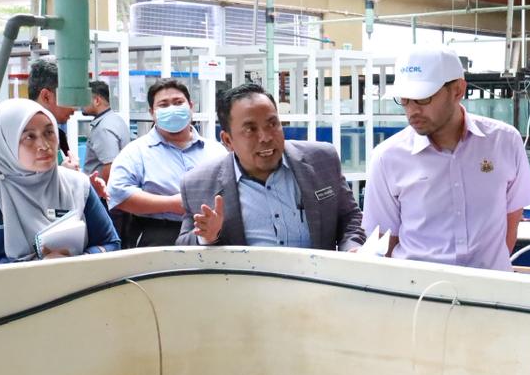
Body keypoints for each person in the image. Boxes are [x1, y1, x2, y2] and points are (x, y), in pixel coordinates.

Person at [363, 46, 530, 271]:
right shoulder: (387, 158)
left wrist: (490, 276)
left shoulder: (504, 142)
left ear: (457, 90)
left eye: (423, 98)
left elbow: (512, 219)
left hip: (490, 286)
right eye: (404, 99)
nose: (412, 110)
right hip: (417, 287)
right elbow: (384, 241)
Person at [177, 83, 365, 250]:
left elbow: (350, 218)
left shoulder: (321, 160)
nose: (266, 137)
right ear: (227, 140)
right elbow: (182, 247)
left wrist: (352, 249)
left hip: (317, 277)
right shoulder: (199, 184)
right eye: (250, 129)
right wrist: (206, 237)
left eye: (272, 124)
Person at [0, 99, 120, 266]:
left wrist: (75, 261)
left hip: (78, 281)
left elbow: (111, 243)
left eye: (49, 132)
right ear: (4, 144)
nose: (44, 145)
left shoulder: (78, 185)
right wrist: (38, 266)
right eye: (29, 137)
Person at [107, 78, 226, 248]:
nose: (172, 109)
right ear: (152, 112)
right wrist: (171, 204)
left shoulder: (216, 150)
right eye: (163, 105)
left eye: (178, 102)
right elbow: (118, 194)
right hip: (158, 235)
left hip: (213, 236)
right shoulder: (136, 151)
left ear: (191, 106)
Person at [82, 80, 133, 239]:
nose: (80, 105)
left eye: (84, 99)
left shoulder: (104, 128)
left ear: (97, 100)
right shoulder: (115, 120)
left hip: (106, 200)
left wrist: (99, 197)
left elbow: (110, 167)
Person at [27, 57, 76, 160]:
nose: (73, 109)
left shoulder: (59, 136)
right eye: (70, 99)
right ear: (46, 96)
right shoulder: (18, 138)